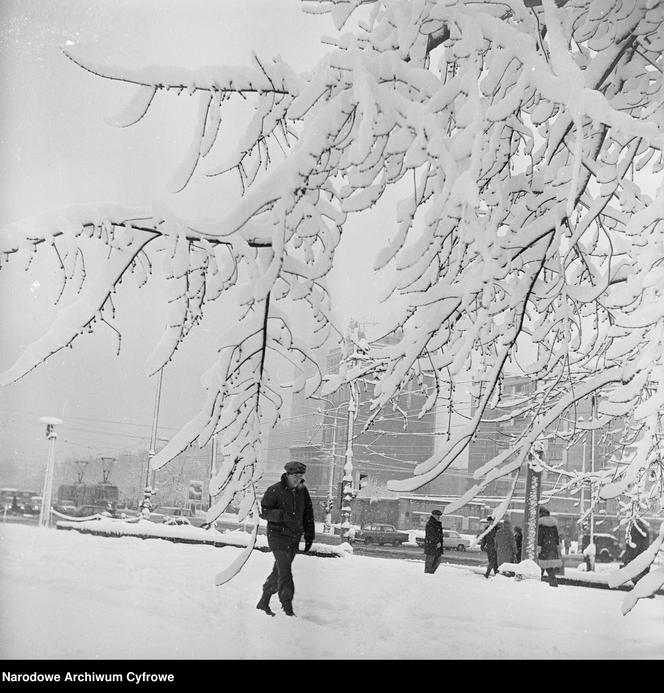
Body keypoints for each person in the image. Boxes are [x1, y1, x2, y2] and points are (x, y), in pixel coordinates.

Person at [256, 461, 315, 617]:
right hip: (277, 536)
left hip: (294, 538)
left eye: (301, 476)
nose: (298, 479)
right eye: (295, 476)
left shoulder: (303, 492)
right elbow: (264, 512)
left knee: (279, 572)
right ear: (287, 474)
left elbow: (308, 514)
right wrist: (282, 515)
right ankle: (287, 609)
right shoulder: (274, 490)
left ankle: (263, 601)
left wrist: (310, 534)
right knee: (286, 572)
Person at [537, 507, 562, 587]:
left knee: (538, 569)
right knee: (550, 570)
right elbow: (557, 538)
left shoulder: (541, 524)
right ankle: (554, 585)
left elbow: (540, 538)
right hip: (552, 549)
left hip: (543, 549)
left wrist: (538, 548)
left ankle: (535, 585)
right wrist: (557, 547)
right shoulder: (553, 525)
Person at [621, 517, 651, 584]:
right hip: (644, 558)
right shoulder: (645, 530)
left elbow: (633, 547)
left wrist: (627, 559)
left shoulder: (635, 530)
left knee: (637, 580)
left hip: (636, 559)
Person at [423, 509, 444, 574]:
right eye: (438, 516)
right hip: (431, 546)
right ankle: (428, 574)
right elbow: (431, 535)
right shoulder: (430, 524)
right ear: (434, 515)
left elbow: (438, 534)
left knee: (437, 560)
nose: (439, 517)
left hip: (436, 546)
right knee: (430, 561)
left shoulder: (437, 524)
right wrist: (437, 542)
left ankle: (431, 573)